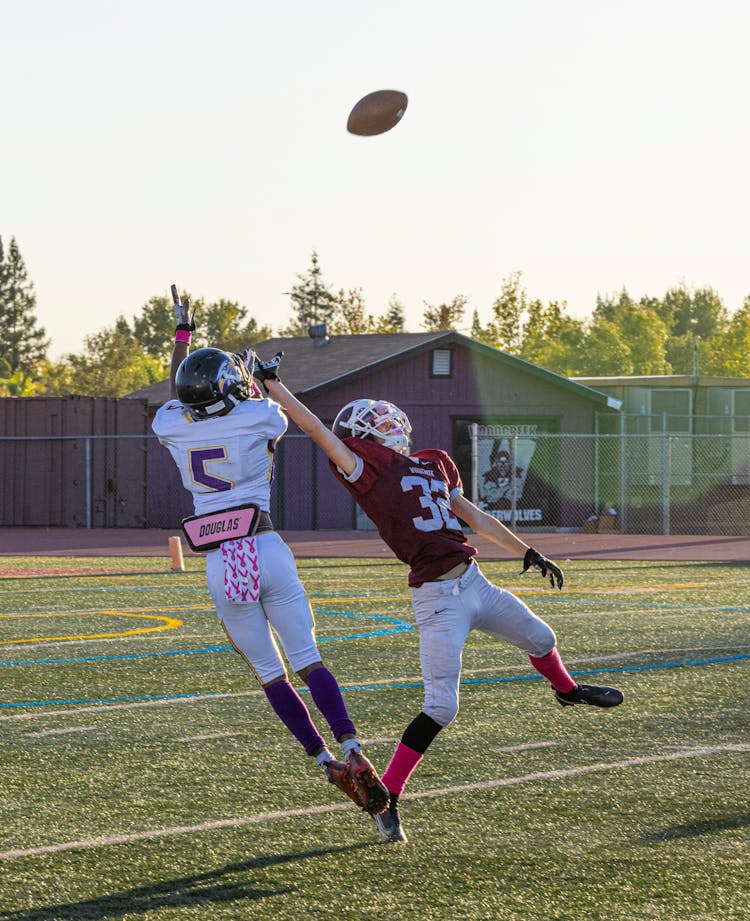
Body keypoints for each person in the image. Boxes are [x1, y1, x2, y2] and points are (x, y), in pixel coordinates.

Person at [252, 352, 624, 845]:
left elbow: (477, 518)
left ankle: (567, 690)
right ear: (368, 431)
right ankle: (390, 796)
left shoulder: (431, 464)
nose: (391, 421)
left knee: (541, 636)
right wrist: (275, 385)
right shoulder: (368, 468)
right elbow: (319, 430)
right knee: (441, 707)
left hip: (476, 583)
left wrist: (529, 550)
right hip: (437, 598)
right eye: (380, 419)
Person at [151, 294, 388, 820]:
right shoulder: (260, 415)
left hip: (220, 561)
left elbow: (178, 393)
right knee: (308, 660)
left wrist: (183, 336)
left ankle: (324, 759)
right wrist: (256, 377)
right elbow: (252, 399)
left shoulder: (170, 424)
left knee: (270, 675)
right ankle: (350, 744)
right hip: (265, 546)